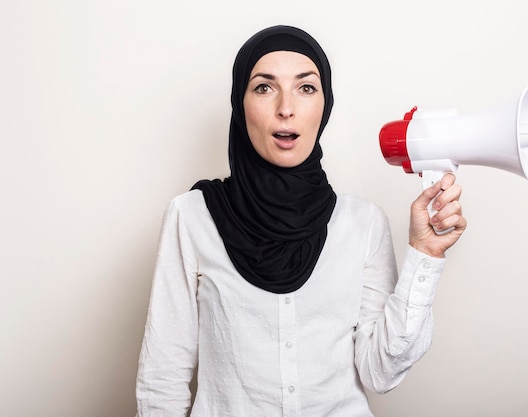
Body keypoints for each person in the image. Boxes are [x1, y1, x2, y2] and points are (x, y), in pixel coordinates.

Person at [135, 24, 466, 417]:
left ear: (324, 106)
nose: (286, 108)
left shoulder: (362, 223)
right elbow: (162, 379)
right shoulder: (190, 218)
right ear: (240, 105)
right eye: (264, 87)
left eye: (306, 87)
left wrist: (425, 254)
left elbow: (381, 373)